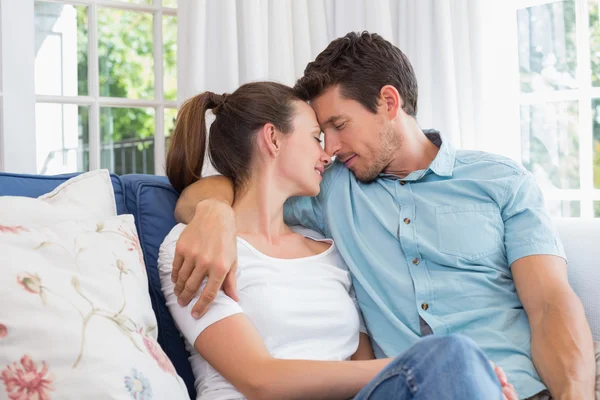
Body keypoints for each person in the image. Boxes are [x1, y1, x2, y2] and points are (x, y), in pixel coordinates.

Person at [170, 32, 597, 400]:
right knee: (454, 354)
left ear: (388, 102)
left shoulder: (500, 181)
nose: (330, 147)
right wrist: (212, 213)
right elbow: (247, 187)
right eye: (321, 133)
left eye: (338, 125)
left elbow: (550, 305)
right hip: (411, 386)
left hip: (521, 388)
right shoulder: (330, 190)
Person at [158, 82, 511, 399]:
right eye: (315, 137)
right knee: (453, 355)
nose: (327, 154)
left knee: (459, 363)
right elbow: (260, 379)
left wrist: (457, 374)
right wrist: (426, 361)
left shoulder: (327, 247)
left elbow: (365, 368)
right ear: (273, 138)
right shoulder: (195, 246)